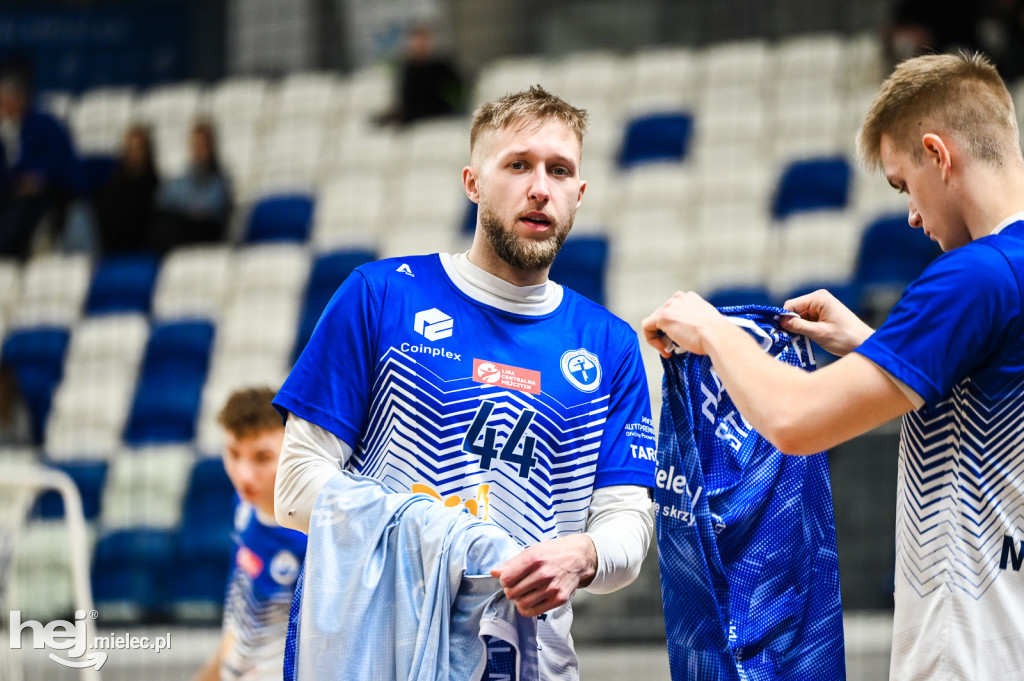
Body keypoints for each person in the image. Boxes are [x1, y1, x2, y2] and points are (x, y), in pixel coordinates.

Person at [643, 52, 1024, 680]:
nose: (911, 215)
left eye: (904, 184)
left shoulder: (973, 277)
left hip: (975, 657)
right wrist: (873, 346)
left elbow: (795, 420)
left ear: (938, 154)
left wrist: (712, 331)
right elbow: (987, 398)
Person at [273, 85, 657, 679]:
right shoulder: (379, 295)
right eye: (518, 165)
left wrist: (584, 553)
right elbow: (296, 487)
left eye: (559, 171)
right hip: (379, 652)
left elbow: (627, 526)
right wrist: (457, 540)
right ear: (473, 182)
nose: (539, 188)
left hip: (524, 661)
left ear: (578, 195)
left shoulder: (608, 343)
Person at [194, 387, 307, 681]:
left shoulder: (313, 537)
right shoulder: (243, 505)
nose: (243, 475)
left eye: (261, 458)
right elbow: (240, 610)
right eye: (233, 454)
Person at [0, 67, 78, 259]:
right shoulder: (5, 131)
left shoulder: (45, 125)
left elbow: (62, 162)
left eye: (4, 102)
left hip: (45, 197)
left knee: (21, 211)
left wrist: (40, 177)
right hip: (10, 193)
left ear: (18, 100)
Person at [152, 119, 231, 254]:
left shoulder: (219, 181)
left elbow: (212, 209)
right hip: (183, 229)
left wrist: (185, 207)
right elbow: (162, 199)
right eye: (196, 145)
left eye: (203, 145)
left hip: (205, 232)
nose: (199, 150)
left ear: (211, 147)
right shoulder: (183, 179)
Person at [375, 22, 466, 126]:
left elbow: (458, 93)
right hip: (412, 118)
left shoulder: (442, 67)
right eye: (416, 41)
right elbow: (405, 99)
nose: (420, 45)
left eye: (423, 40)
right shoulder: (407, 69)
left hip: (437, 115)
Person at [91, 123, 159, 254]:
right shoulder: (111, 187)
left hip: (143, 248)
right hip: (112, 247)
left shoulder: (155, 186)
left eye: (138, 148)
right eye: (130, 148)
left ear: (146, 151)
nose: (133, 153)